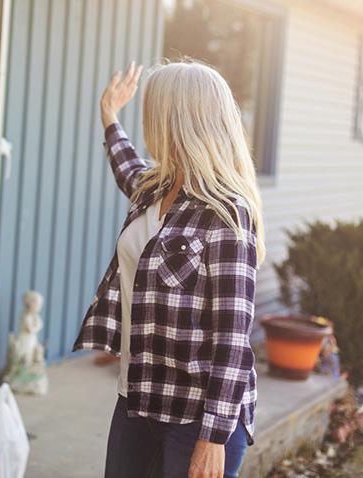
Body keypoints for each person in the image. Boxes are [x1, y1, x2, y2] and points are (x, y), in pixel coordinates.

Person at [73, 60, 265, 478]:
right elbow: (127, 166)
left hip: (196, 417)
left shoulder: (227, 213)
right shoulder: (157, 187)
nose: (147, 121)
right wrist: (109, 115)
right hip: (136, 398)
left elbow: (233, 338)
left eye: (153, 110)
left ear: (178, 119)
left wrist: (213, 437)